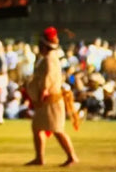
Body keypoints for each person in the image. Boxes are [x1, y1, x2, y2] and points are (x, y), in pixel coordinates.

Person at [26, 27, 79, 167]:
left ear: (44, 45)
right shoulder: (49, 57)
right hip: (47, 101)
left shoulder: (50, 58)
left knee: (57, 130)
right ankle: (39, 158)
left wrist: (44, 90)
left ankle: (72, 157)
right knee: (37, 128)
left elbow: (49, 76)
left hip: (51, 100)